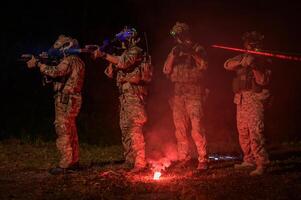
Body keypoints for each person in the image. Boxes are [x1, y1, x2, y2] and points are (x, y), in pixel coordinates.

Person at [93, 27, 152, 172]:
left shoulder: (136, 51)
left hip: (134, 95)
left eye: (125, 39)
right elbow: (109, 73)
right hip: (124, 97)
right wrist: (108, 56)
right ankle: (129, 160)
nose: (123, 42)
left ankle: (140, 162)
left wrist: (104, 55)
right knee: (125, 129)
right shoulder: (122, 53)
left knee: (134, 129)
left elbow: (124, 62)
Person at [26, 35, 85, 175]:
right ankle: (74, 161)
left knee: (62, 128)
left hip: (65, 99)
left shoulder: (69, 61)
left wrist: (39, 65)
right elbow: (60, 75)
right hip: (74, 98)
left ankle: (65, 164)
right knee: (71, 129)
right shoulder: (79, 61)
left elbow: (56, 71)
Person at [224, 31, 271, 176]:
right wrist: (242, 62)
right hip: (241, 99)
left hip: (255, 98)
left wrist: (255, 66)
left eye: (254, 43)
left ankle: (262, 163)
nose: (251, 45)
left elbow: (263, 81)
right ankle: (249, 159)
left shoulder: (265, 59)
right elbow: (226, 65)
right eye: (249, 42)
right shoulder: (241, 56)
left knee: (256, 131)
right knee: (243, 132)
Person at [163, 22, 209, 171]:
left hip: (194, 92)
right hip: (178, 94)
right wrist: (173, 55)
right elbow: (166, 70)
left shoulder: (198, 48)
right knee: (180, 128)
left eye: (179, 35)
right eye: (176, 36)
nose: (177, 38)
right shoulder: (174, 50)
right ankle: (184, 158)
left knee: (197, 127)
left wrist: (190, 52)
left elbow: (204, 65)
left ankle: (203, 158)